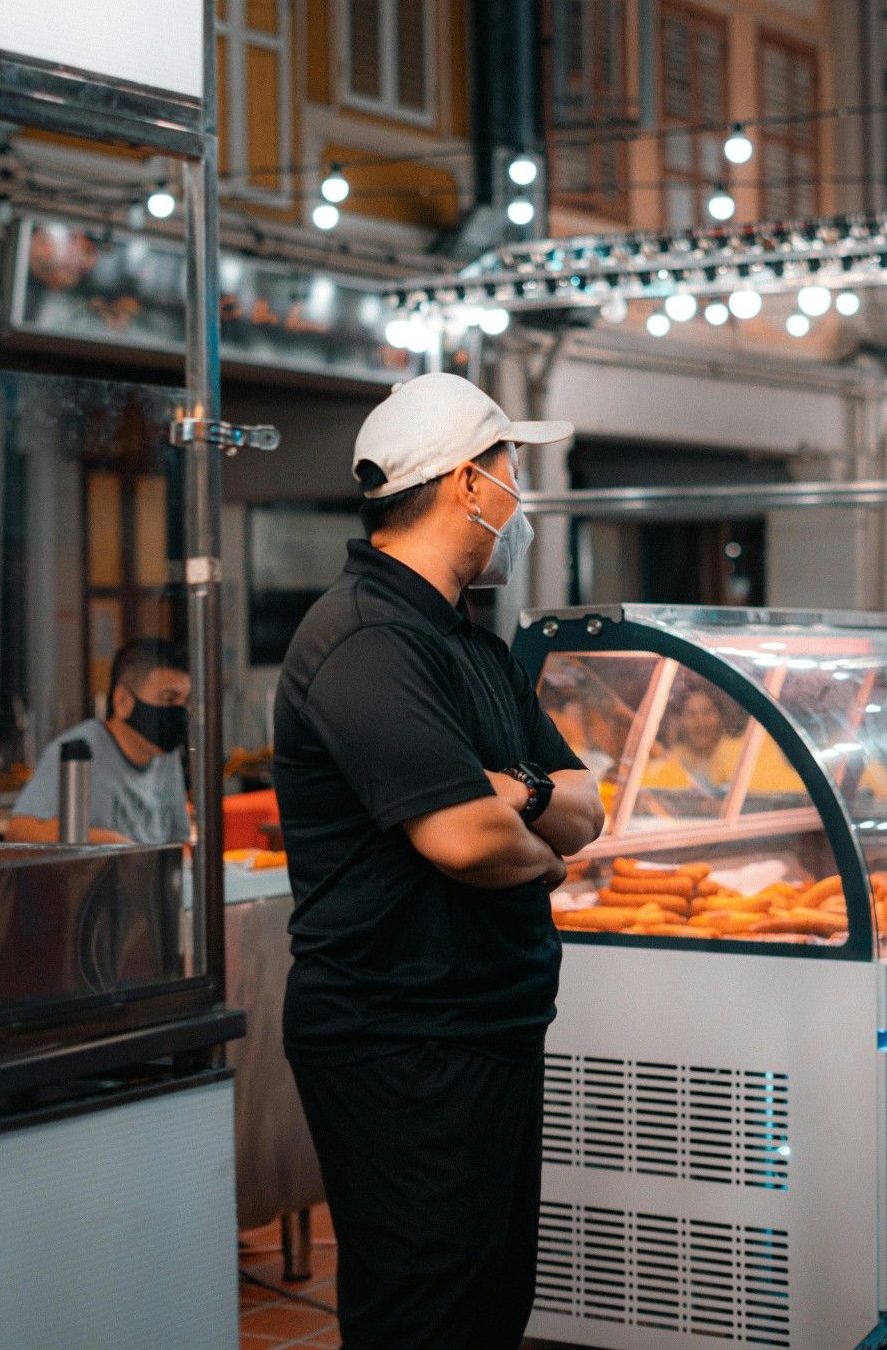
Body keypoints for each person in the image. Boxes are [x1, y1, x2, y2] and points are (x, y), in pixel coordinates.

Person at [274, 372, 605, 1350]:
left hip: (485, 1026)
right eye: (511, 469)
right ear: (468, 484)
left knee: (489, 1306)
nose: (519, 496)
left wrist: (518, 793)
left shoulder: (464, 640)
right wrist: (520, 836)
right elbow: (463, 839)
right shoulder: (365, 639)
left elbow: (583, 802)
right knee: (423, 1319)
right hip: (400, 1041)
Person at [12, 637, 191, 844]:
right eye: (168, 699)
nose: (180, 712)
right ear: (123, 701)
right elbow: (19, 831)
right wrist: (106, 843)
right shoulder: (78, 751)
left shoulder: (164, 755)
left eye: (185, 702)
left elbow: (180, 840)